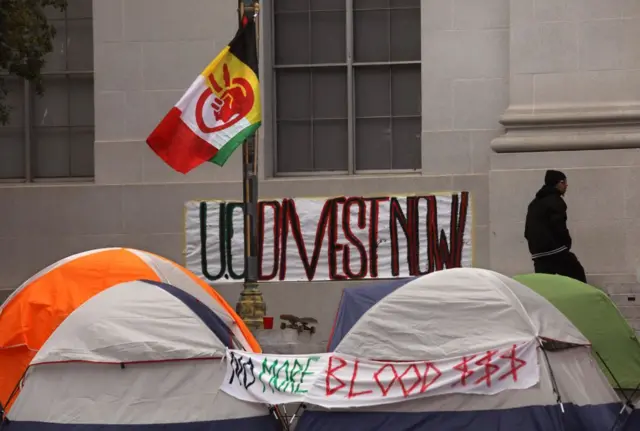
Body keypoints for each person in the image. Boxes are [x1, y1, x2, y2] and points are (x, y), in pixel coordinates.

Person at [524, 170, 587, 283]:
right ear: (558, 183)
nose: (566, 185)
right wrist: (566, 244)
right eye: (564, 182)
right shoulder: (556, 201)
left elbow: (527, 231)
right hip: (555, 251)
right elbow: (559, 227)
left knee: (545, 285)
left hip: (538, 254)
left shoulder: (534, 203)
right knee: (577, 276)